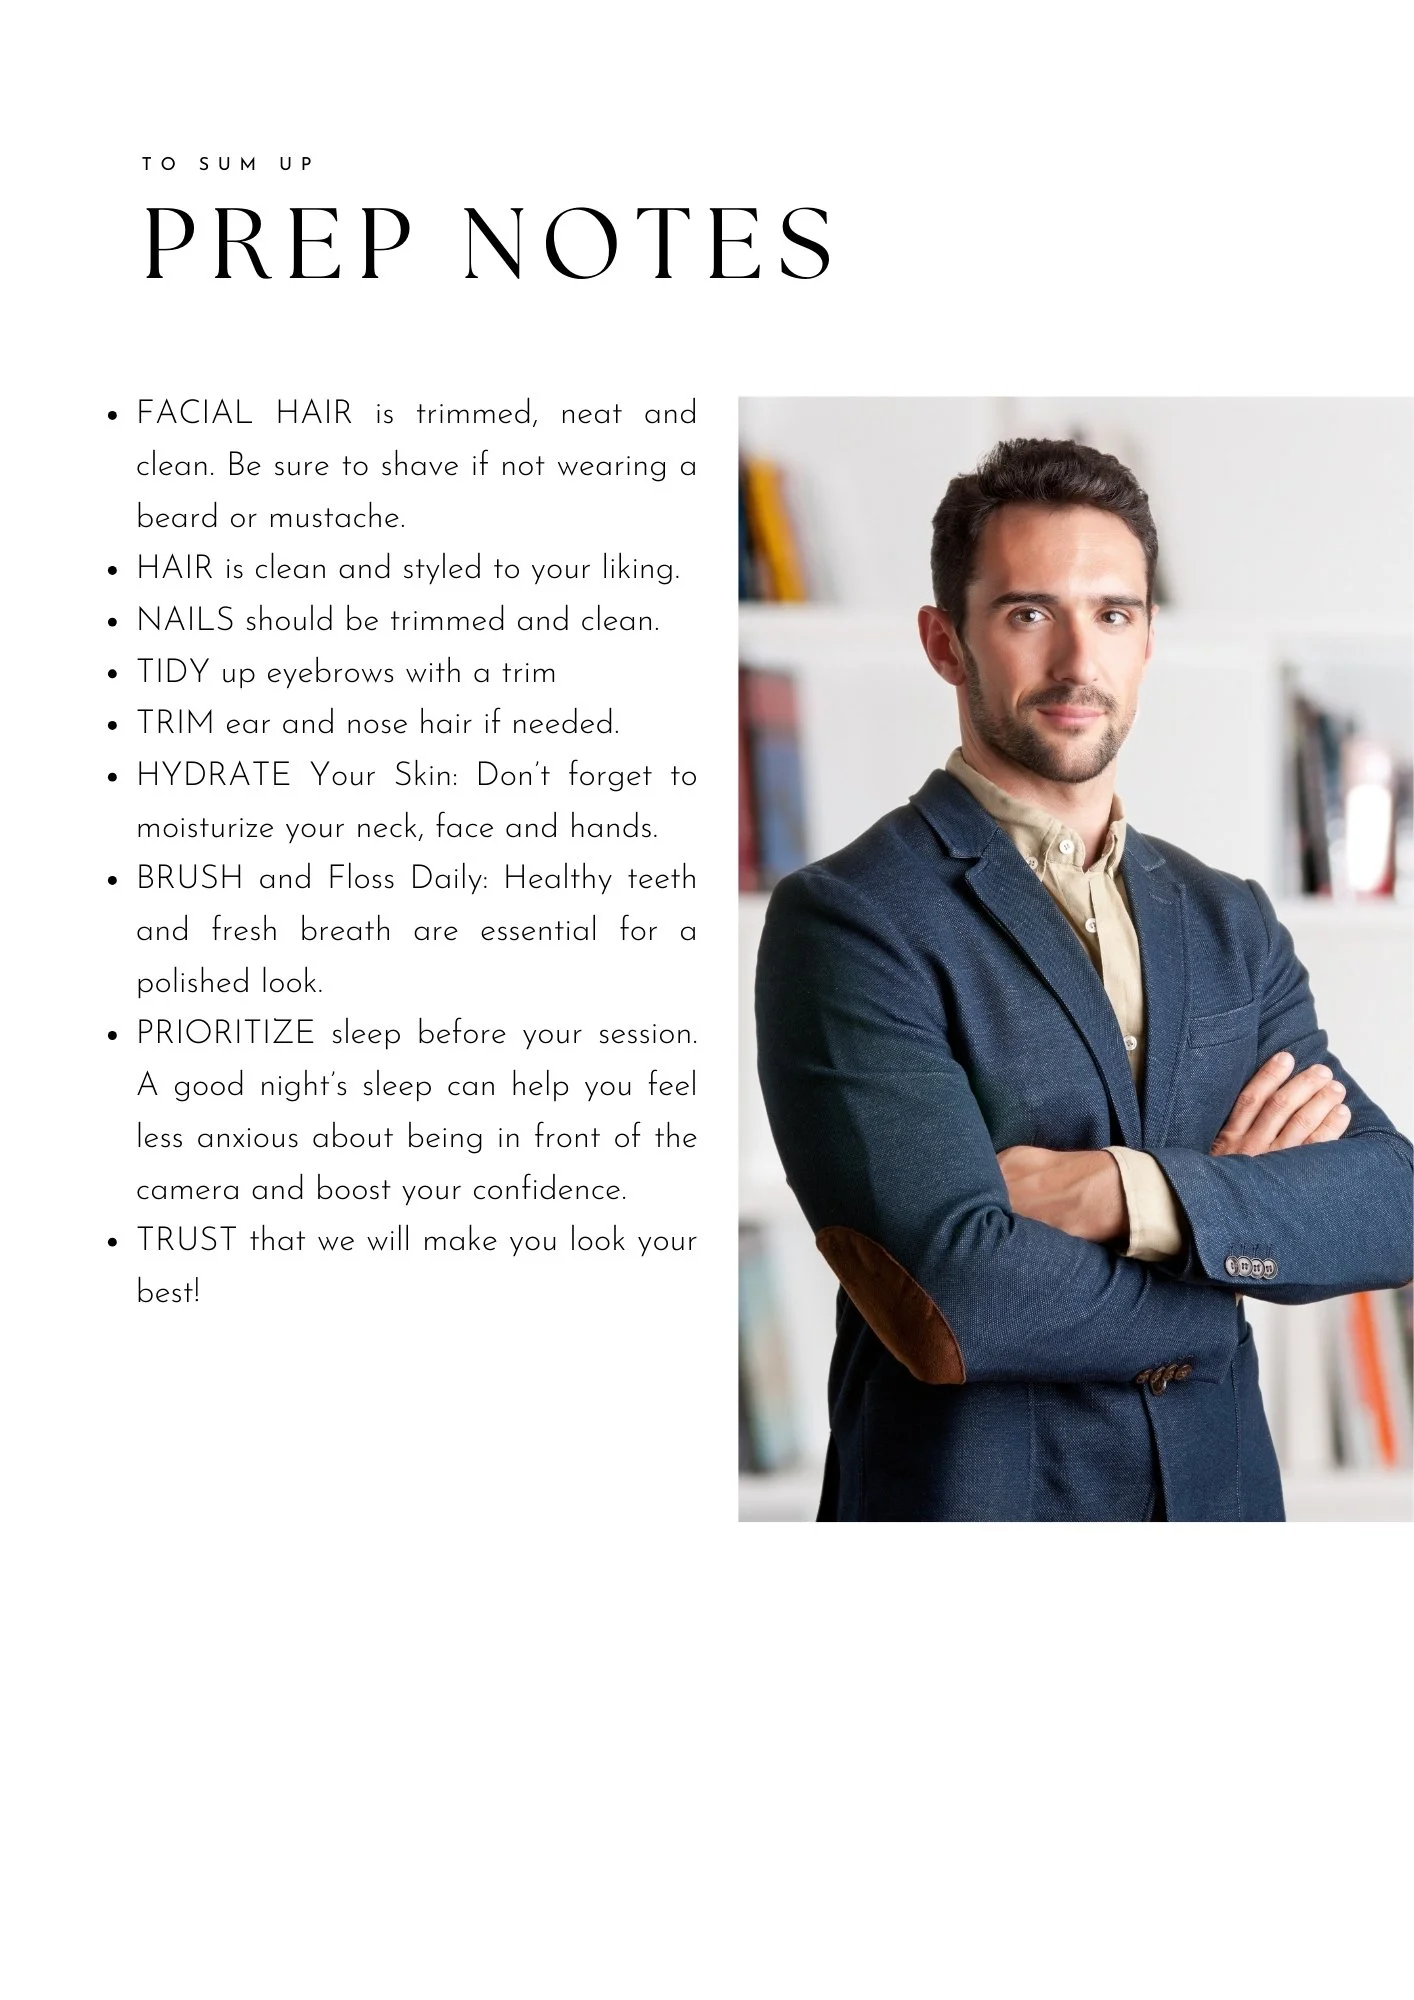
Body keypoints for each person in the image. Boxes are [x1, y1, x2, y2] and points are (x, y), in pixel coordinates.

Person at [754, 437, 1413, 1521]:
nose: (1077, 661)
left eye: (1113, 613)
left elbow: (1385, 1201)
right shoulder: (852, 917)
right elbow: (955, 1296)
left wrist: (1119, 1190)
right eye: (1027, 613)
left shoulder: (1227, 918)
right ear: (943, 640)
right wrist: (1229, 1275)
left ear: (1148, 637)